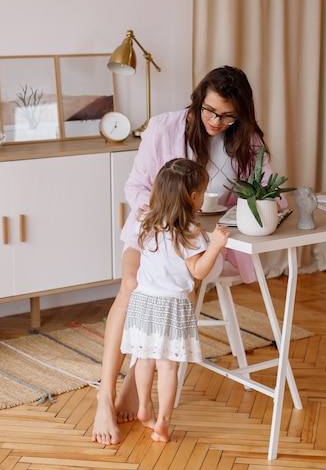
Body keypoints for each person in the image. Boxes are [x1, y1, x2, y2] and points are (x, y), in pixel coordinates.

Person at [92, 65, 287, 445]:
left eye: (228, 115)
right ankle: (105, 394)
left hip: (201, 239)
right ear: (198, 102)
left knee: (179, 283)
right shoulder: (164, 127)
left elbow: (269, 191)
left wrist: (266, 205)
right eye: (211, 111)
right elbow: (136, 186)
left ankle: (140, 375)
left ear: (240, 113)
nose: (217, 121)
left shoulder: (248, 143)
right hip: (154, 231)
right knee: (132, 283)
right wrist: (160, 217)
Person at [121, 158, 229, 442]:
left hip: (143, 300)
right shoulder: (190, 232)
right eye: (203, 193)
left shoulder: (145, 221)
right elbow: (198, 271)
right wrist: (215, 246)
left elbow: (141, 237)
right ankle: (163, 423)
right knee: (168, 366)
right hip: (172, 305)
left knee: (144, 358)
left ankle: (145, 407)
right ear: (193, 197)